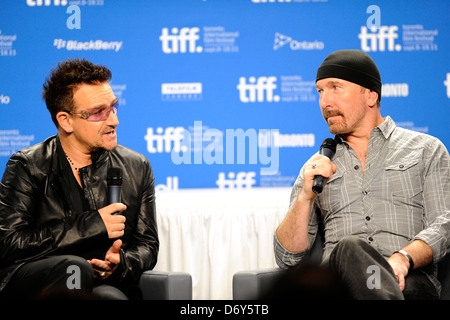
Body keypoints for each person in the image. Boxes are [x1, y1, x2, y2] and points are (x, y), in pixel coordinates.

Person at [274, 49, 449, 299]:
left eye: (335, 87)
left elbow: (445, 224)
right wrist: (304, 197)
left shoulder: (426, 150)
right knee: (349, 248)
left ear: (370, 95)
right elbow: (287, 259)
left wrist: (403, 258)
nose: (325, 102)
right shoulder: (318, 167)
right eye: (320, 91)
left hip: (408, 282)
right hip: (338, 286)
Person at [0, 58, 159, 299]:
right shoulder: (28, 166)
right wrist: (92, 225)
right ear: (66, 120)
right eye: (98, 113)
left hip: (108, 282)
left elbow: (147, 245)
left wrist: (120, 264)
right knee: (74, 268)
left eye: (113, 107)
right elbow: (9, 243)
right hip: (42, 284)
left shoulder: (137, 166)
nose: (114, 121)